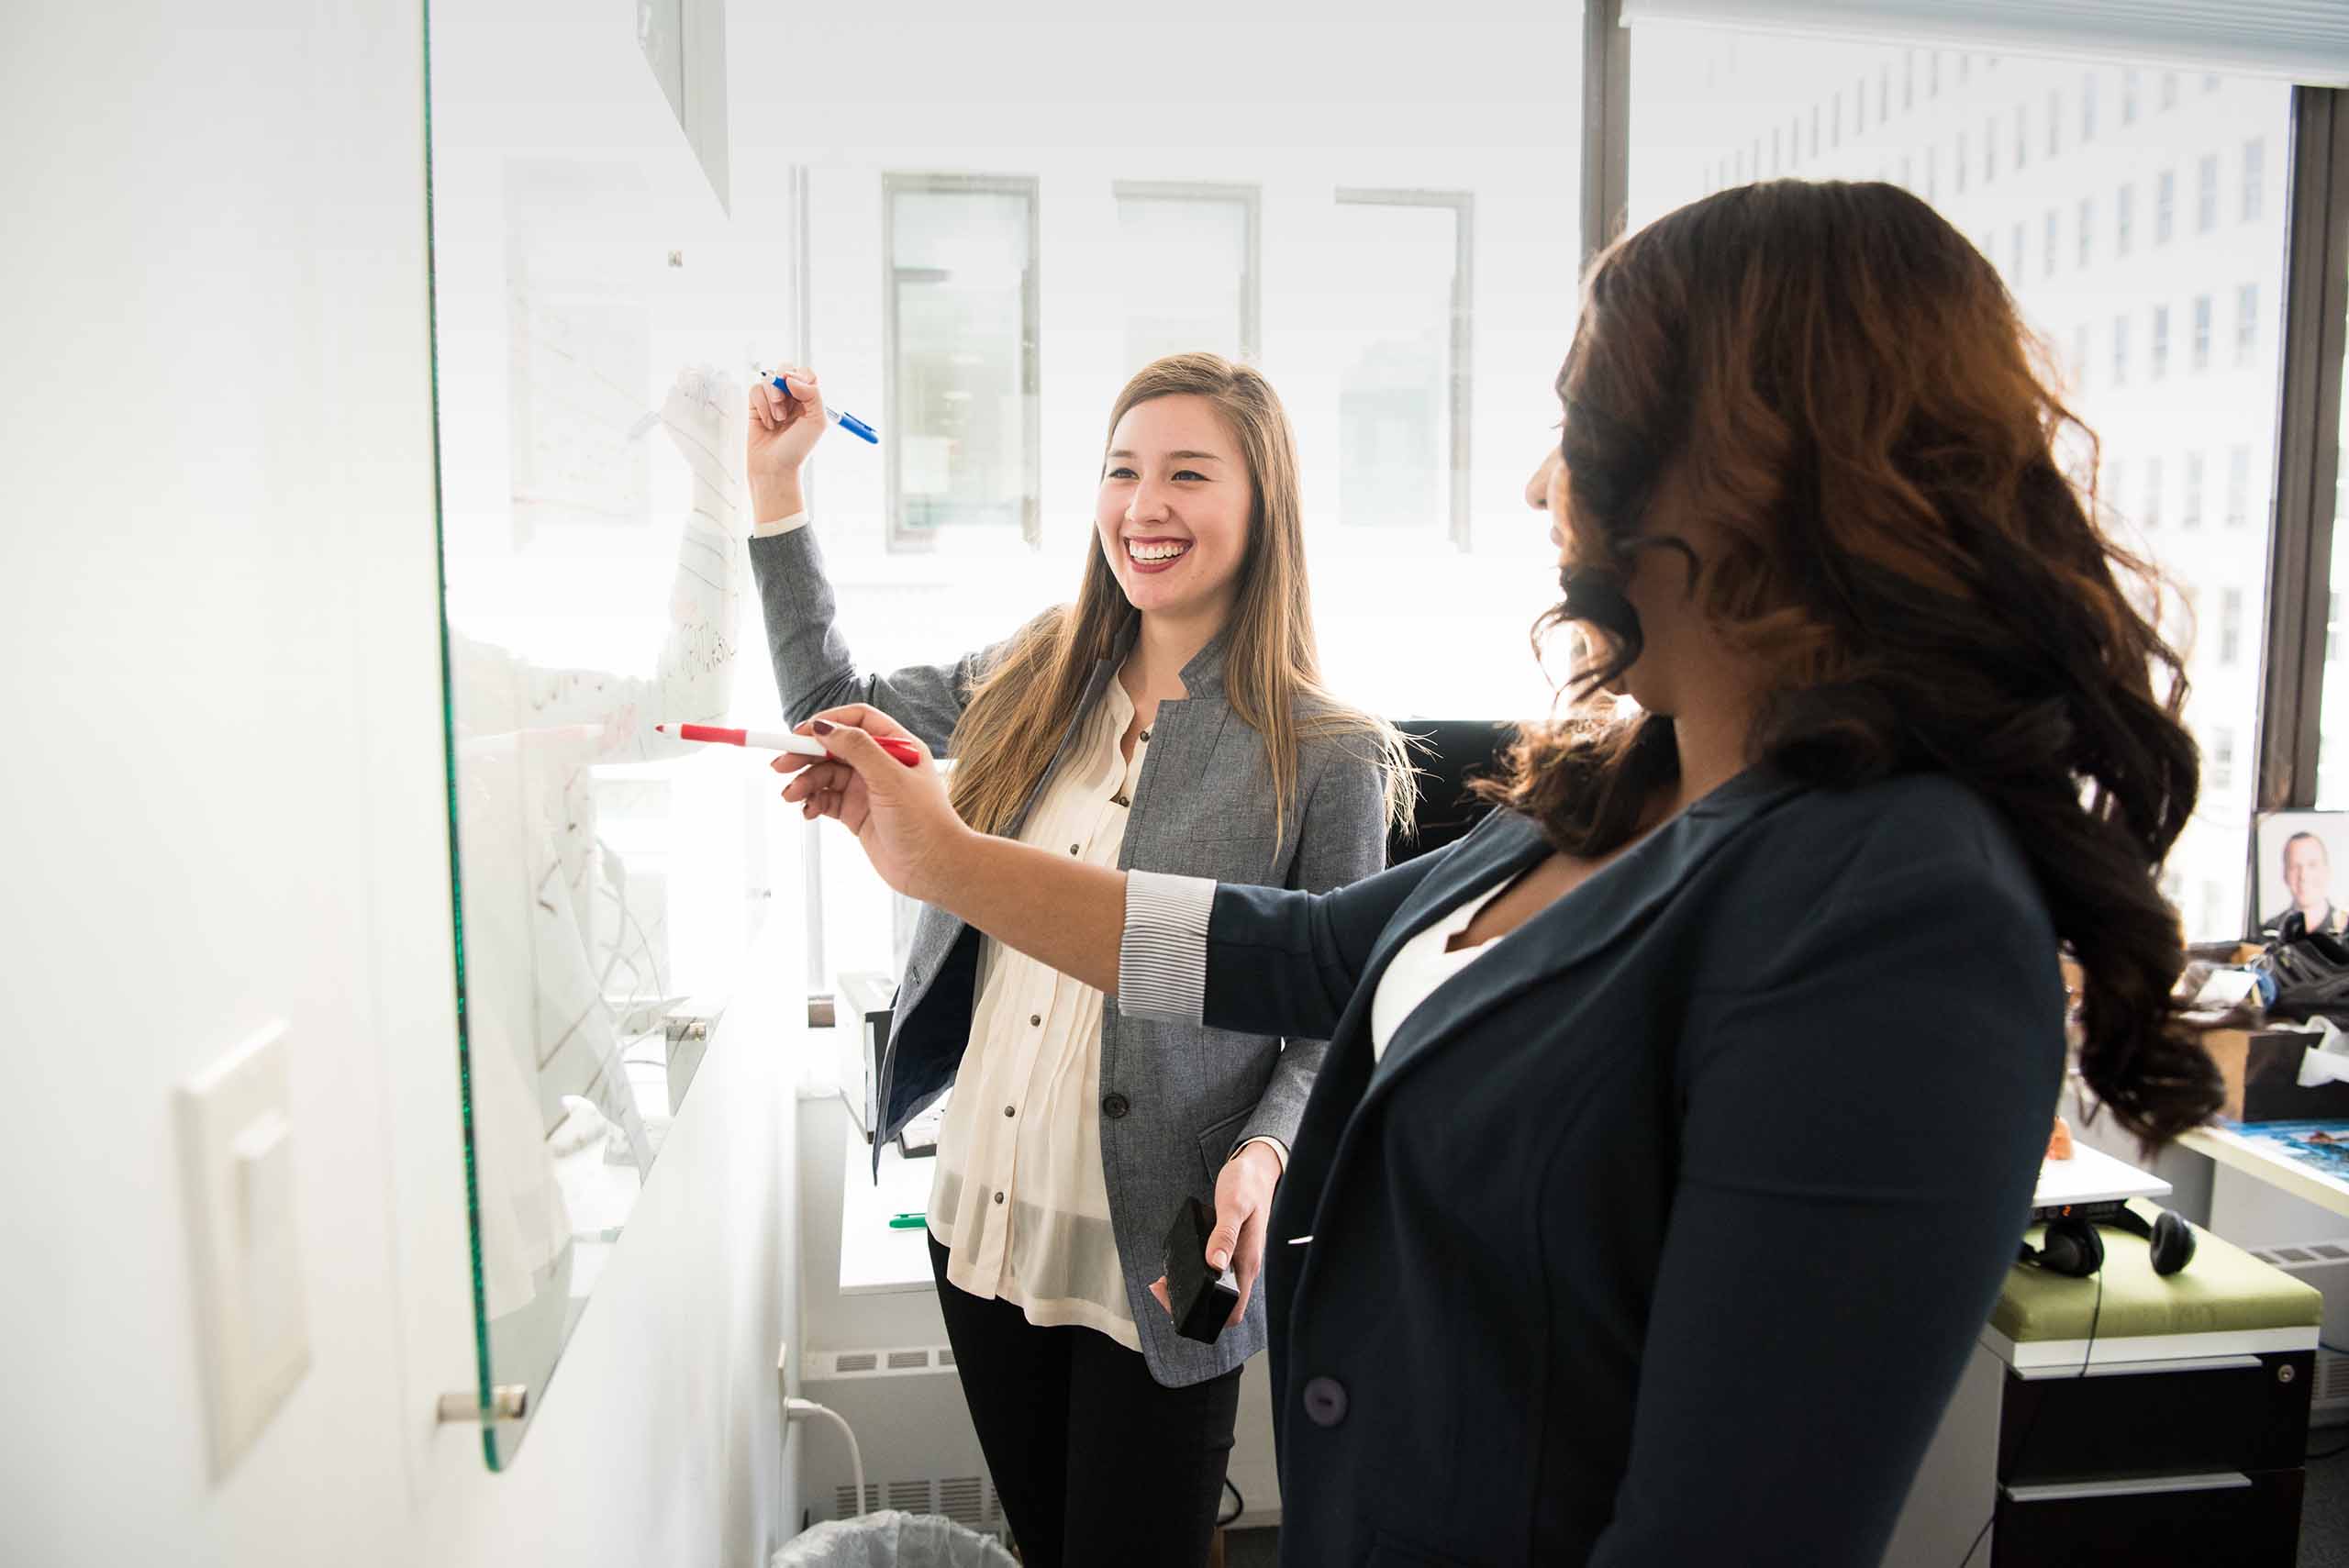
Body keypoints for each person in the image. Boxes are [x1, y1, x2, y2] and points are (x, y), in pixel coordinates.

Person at [770, 181, 2225, 1565]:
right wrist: (947, 860)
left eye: (1580, 423)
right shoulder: (1613, 786)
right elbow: (1297, 952)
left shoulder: (1897, 908)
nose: (1541, 483)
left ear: (1749, 464)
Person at [744, 351, 1408, 1565]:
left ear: (1264, 505)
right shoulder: (1037, 673)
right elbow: (835, 702)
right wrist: (776, 491)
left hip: (1175, 1238)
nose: (1144, 506)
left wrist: (1266, 1155)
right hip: (985, 1215)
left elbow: (1338, 1019)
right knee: (1052, 1542)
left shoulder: (1329, 752)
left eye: (1188, 474)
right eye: (1122, 471)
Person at [2263, 830, 2348, 939]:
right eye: (2294, 867)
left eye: (2312, 865)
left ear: (2327, 870)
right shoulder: (2268, 930)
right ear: (2284, 874)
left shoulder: (2346, 928)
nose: (2303, 876)